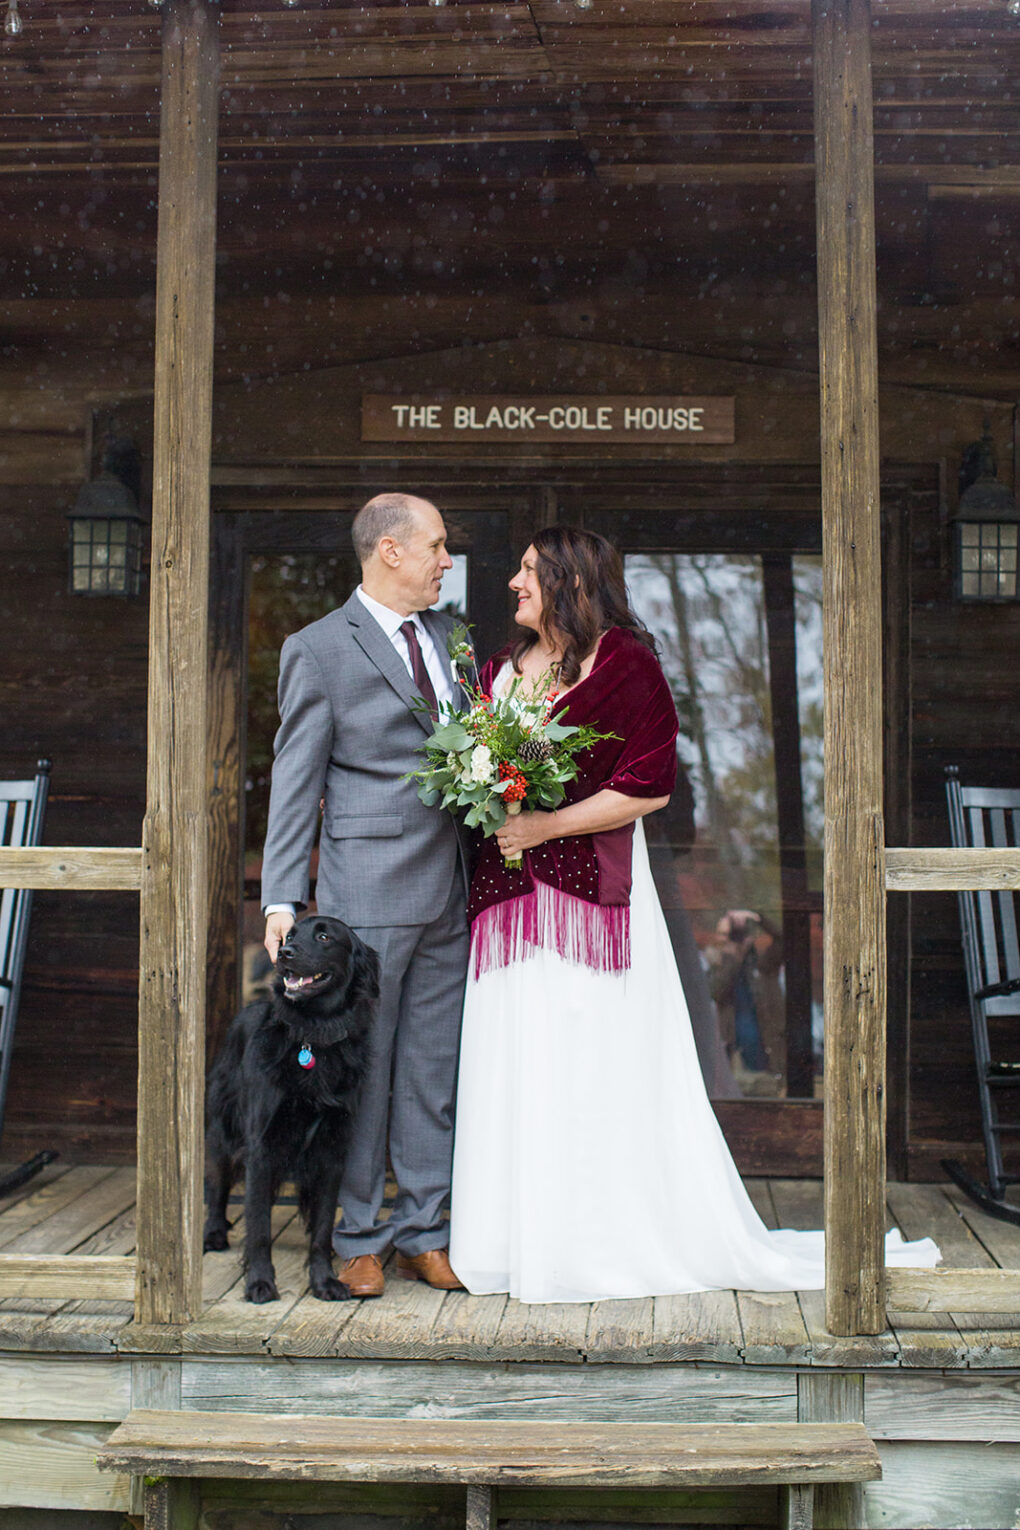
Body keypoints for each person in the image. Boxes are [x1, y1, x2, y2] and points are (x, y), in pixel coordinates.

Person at [448, 526, 938, 1303]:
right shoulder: (498, 670)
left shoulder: (628, 665)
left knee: (588, 1054)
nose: (513, 582)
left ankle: (592, 1240)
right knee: (516, 1050)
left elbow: (651, 786)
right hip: (509, 899)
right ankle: (511, 1241)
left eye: (530, 571)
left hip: (592, 898)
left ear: (572, 584)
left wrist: (543, 824)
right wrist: (494, 800)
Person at [261, 492, 470, 1298]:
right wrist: (284, 895)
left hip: (452, 886)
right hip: (368, 892)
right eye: (437, 547)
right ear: (389, 551)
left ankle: (426, 1230)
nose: (445, 562)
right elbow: (295, 778)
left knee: (431, 1069)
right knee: (366, 1069)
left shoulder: (451, 638)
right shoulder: (317, 649)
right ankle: (358, 1234)